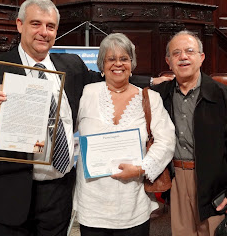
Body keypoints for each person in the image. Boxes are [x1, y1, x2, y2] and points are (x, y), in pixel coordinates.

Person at [0, 0, 104, 235]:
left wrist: (152, 81)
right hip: (10, 191)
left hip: (59, 191)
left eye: (50, 26)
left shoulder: (72, 64)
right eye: (36, 24)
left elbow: (108, 79)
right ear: (19, 25)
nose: (43, 32)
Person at [152, 30, 227, 236]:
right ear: (168, 62)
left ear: (201, 58)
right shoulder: (160, 96)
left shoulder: (222, 95)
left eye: (190, 51)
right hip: (177, 180)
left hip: (214, 183)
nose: (183, 57)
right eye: (176, 53)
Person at [73, 33, 176, 236]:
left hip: (132, 204)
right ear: (102, 65)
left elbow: (166, 140)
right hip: (92, 204)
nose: (117, 64)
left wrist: (141, 168)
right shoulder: (87, 93)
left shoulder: (150, 98)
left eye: (124, 58)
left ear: (132, 63)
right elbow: (66, 128)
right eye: (111, 59)